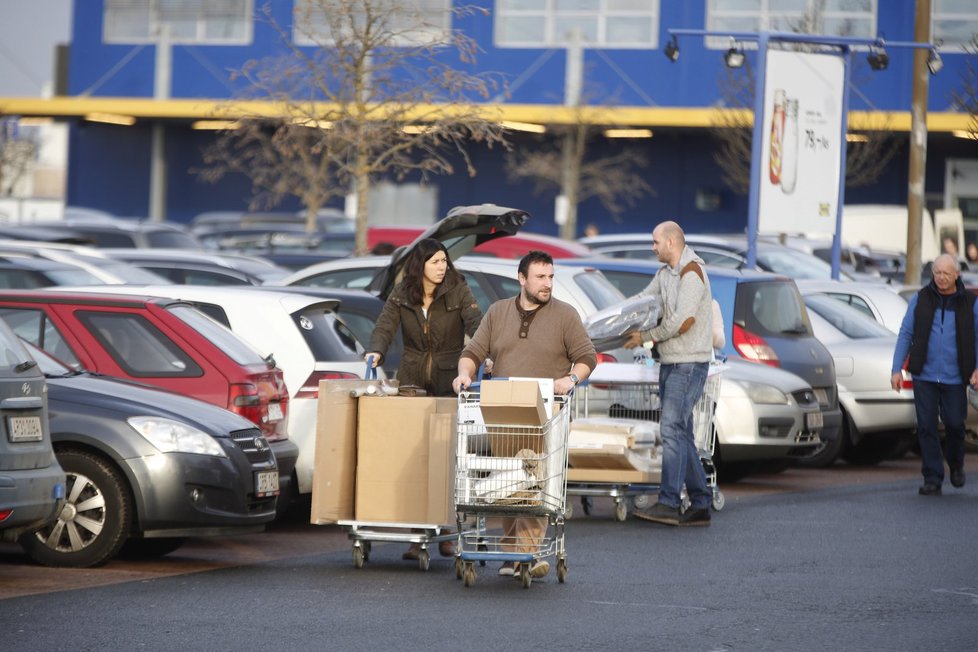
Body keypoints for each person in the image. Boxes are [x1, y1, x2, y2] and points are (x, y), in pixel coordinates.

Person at [452, 250, 596, 579]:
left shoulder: (565, 315)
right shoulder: (499, 312)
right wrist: (464, 374)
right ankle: (512, 553)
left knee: (537, 480)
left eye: (550, 277)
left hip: (548, 410)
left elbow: (587, 357)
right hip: (503, 408)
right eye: (540, 277)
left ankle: (525, 554)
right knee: (509, 482)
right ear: (522, 279)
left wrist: (571, 378)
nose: (547, 284)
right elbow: (474, 351)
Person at [365, 238, 483, 558]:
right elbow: (385, 325)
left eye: (444, 261)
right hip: (412, 381)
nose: (442, 267)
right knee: (415, 459)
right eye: (435, 262)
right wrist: (376, 350)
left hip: (449, 382)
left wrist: (487, 354)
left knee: (445, 459)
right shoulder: (403, 292)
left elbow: (477, 326)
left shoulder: (458, 289)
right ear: (421, 266)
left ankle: (444, 531)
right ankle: (418, 536)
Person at [623, 220, 715, 527]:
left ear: (672, 243)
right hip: (671, 362)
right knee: (681, 432)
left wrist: (646, 337)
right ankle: (701, 503)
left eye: (655, 242)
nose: (652, 247)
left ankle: (669, 502)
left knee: (672, 429)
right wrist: (612, 318)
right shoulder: (665, 274)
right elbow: (644, 300)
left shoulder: (692, 273)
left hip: (688, 365)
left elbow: (682, 322)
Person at [890, 253, 978, 496]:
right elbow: (906, 334)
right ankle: (932, 477)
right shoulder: (921, 299)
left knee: (954, 425)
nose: (940, 278)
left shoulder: (970, 303)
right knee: (926, 426)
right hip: (924, 375)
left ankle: (956, 464)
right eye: (937, 273)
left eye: (946, 274)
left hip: (956, 377)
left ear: (957, 275)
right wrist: (896, 369)